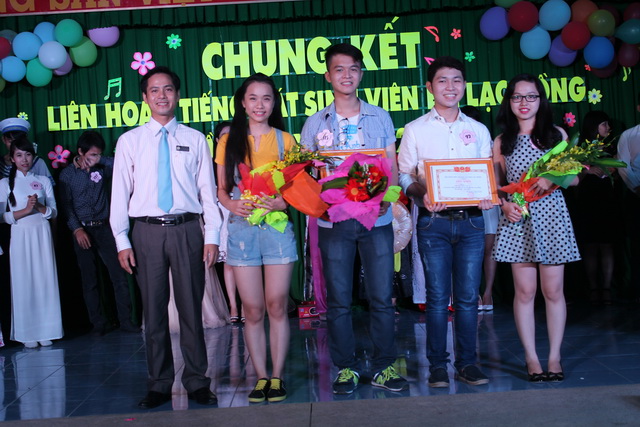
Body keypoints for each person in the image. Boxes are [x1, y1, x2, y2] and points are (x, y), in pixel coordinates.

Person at [110, 66, 221, 409]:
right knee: (154, 311)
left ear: (178, 95)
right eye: (155, 90)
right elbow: (119, 194)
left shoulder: (195, 139)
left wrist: (212, 234)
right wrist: (122, 240)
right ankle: (159, 384)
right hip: (146, 232)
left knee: (191, 309)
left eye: (168, 89)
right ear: (144, 98)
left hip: (187, 230)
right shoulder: (129, 141)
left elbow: (208, 192)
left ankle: (197, 381)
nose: (162, 96)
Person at [301, 43, 408, 395]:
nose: (346, 75)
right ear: (327, 76)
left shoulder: (380, 117)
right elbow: (306, 173)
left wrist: (388, 199)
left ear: (361, 73)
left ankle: (384, 366)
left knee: (381, 296)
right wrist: (319, 199)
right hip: (334, 222)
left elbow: (390, 165)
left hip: (376, 220)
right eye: (339, 69)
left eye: (353, 68)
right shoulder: (315, 123)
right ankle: (345, 367)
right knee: (339, 300)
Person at [398, 56, 492, 388]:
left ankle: (467, 364)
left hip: (472, 222)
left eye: (456, 80)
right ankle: (438, 365)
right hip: (432, 222)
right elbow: (404, 176)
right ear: (429, 87)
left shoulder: (478, 130)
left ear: (464, 85)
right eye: (442, 80)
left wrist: (487, 194)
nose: (450, 87)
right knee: (437, 297)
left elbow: (486, 175)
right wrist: (421, 193)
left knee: (467, 297)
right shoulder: (415, 129)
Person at [492, 74, 580, 382]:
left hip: (552, 218)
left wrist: (551, 177)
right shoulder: (502, 141)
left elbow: (575, 179)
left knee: (553, 291)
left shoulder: (556, 135)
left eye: (531, 96)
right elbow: (498, 187)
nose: (524, 103)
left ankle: (554, 357)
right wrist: (504, 205)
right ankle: (531, 358)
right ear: (509, 101)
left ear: (541, 100)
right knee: (525, 291)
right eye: (517, 97)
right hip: (520, 220)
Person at [215, 73, 297, 403]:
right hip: (242, 229)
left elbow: (297, 188)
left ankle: (277, 377)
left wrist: (283, 202)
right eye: (253, 98)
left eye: (266, 98)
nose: (259, 104)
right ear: (243, 103)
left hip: (277, 229)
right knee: (252, 309)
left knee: (276, 304)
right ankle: (261, 376)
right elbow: (221, 190)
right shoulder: (228, 141)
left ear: (274, 103)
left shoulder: (286, 141)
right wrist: (231, 204)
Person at [59, 130, 139, 336]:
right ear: (80, 152)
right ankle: (98, 323)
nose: (96, 158)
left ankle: (125, 321)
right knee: (90, 280)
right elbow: (67, 206)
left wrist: (100, 160)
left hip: (104, 228)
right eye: (92, 154)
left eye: (99, 154)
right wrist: (77, 229)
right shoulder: (67, 175)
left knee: (118, 276)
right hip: (82, 230)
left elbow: (120, 166)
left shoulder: (103, 168)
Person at [0, 136, 63, 348]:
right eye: (19, 155)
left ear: (33, 157)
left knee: (45, 280)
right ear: (12, 158)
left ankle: (47, 330)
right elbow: (2, 217)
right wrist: (26, 210)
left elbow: (54, 212)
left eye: (28, 154)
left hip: (42, 235)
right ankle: (27, 333)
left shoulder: (43, 181)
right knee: (23, 281)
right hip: (20, 236)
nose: (24, 159)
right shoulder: (4, 184)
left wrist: (39, 208)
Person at [573, 111, 618, 305]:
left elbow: (620, 169)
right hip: (587, 199)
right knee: (590, 245)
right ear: (593, 126)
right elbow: (571, 174)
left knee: (607, 245)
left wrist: (613, 169)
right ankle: (593, 288)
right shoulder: (579, 148)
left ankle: (606, 289)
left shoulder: (612, 146)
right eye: (604, 124)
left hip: (608, 198)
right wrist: (588, 170)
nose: (608, 128)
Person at [461, 105, 498, 311]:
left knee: (489, 249)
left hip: (487, 198)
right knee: (468, 250)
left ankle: (488, 293)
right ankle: (472, 293)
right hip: (464, 199)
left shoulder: (486, 139)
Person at [213, 121, 244, 324]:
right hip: (223, 211)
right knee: (229, 262)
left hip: (244, 207)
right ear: (217, 140)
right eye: (224, 136)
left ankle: (248, 305)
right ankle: (233, 305)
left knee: (247, 261)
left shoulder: (246, 157)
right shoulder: (213, 163)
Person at [616, 97, 640, 302]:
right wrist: (637, 188)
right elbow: (623, 166)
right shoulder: (629, 135)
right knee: (637, 246)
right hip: (636, 198)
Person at [0, 118, 54, 185]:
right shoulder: (1, 163)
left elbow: (48, 187)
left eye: (18, 141)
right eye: (10, 141)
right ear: (3, 139)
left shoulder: (37, 162)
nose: (14, 145)